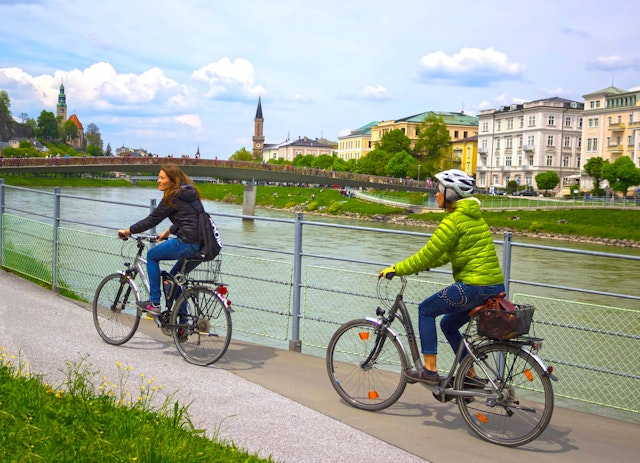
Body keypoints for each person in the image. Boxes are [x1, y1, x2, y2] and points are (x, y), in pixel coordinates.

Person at [378, 169, 505, 385]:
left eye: (439, 190)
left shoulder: (453, 221)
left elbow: (427, 254)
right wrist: (424, 267)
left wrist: (397, 268)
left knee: (425, 310)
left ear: (450, 193)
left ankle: (430, 369)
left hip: (473, 287)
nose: (436, 194)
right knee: (448, 324)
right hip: (493, 287)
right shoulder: (474, 217)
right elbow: (445, 254)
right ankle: (469, 376)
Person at [117, 165, 203, 315]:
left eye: (162, 178)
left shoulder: (171, 196)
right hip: (202, 245)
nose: (158, 180)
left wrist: (128, 231)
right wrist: (169, 231)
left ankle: (154, 303)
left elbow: (152, 220)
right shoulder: (189, 193)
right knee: (175, 282)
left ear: (173, 180)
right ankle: (182, 326)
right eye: (158, 177)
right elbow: (191, 219)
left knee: (152, 255)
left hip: (187, 243)